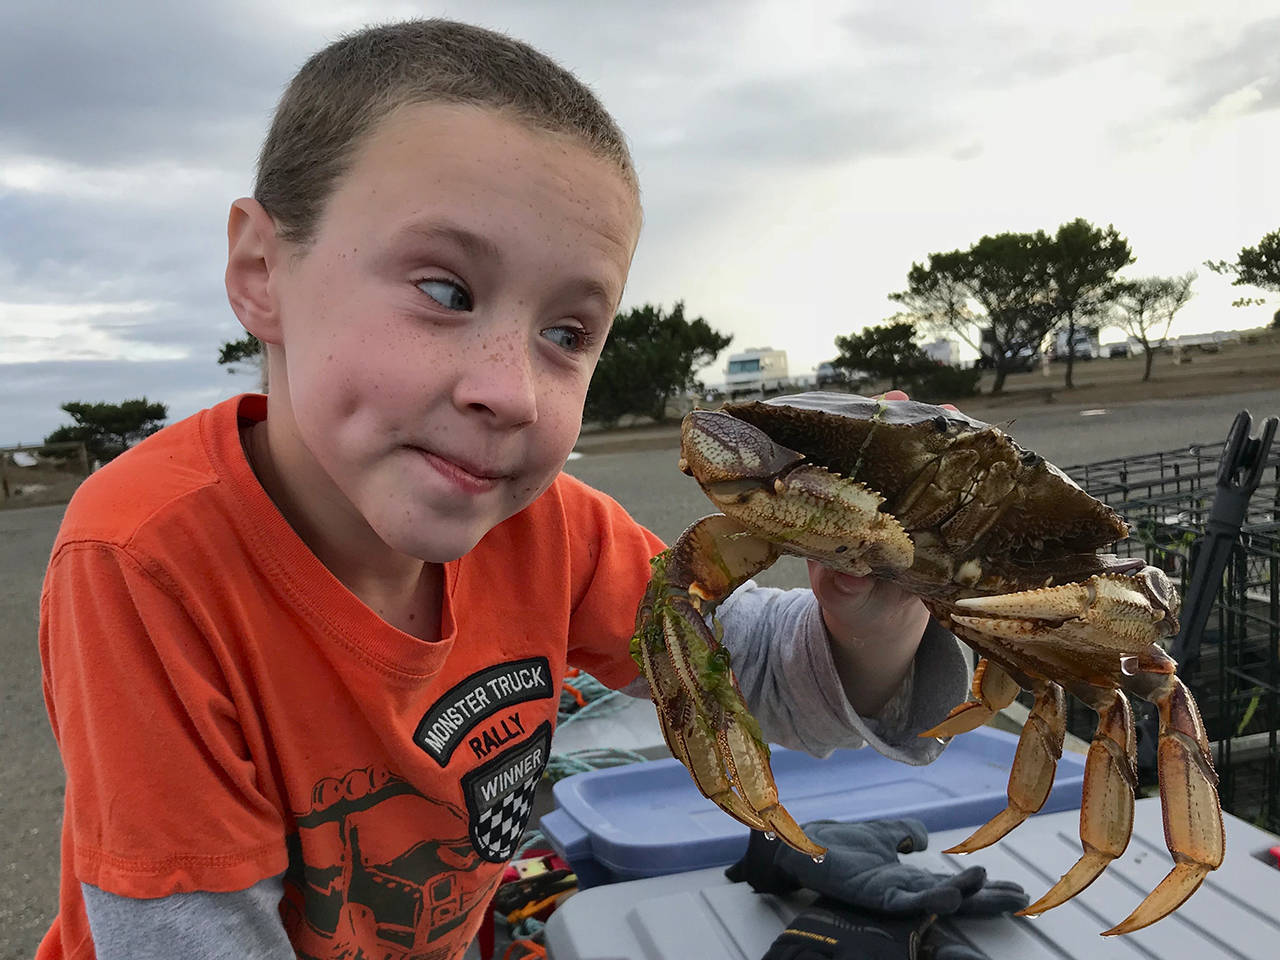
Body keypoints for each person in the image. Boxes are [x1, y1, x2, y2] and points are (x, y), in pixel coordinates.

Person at [35, 19, 969, 960]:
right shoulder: (144, 559)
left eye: (567, 334)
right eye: (445, 291)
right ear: (260, 272)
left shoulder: (549, 530)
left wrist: (878, 610)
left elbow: (746, 676)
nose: (511, 393)